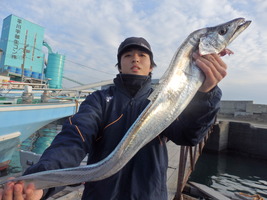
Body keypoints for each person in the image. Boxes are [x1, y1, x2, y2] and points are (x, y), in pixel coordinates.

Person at [0, 37, 227, 200]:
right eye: (127, 55)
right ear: (119, 65)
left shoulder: (164, 101)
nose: (135, 59)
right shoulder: (99, 100)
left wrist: (206, 93)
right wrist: (39, 182)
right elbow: (72, 141)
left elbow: (189, 135)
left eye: (142, 55)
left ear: (151, 67)